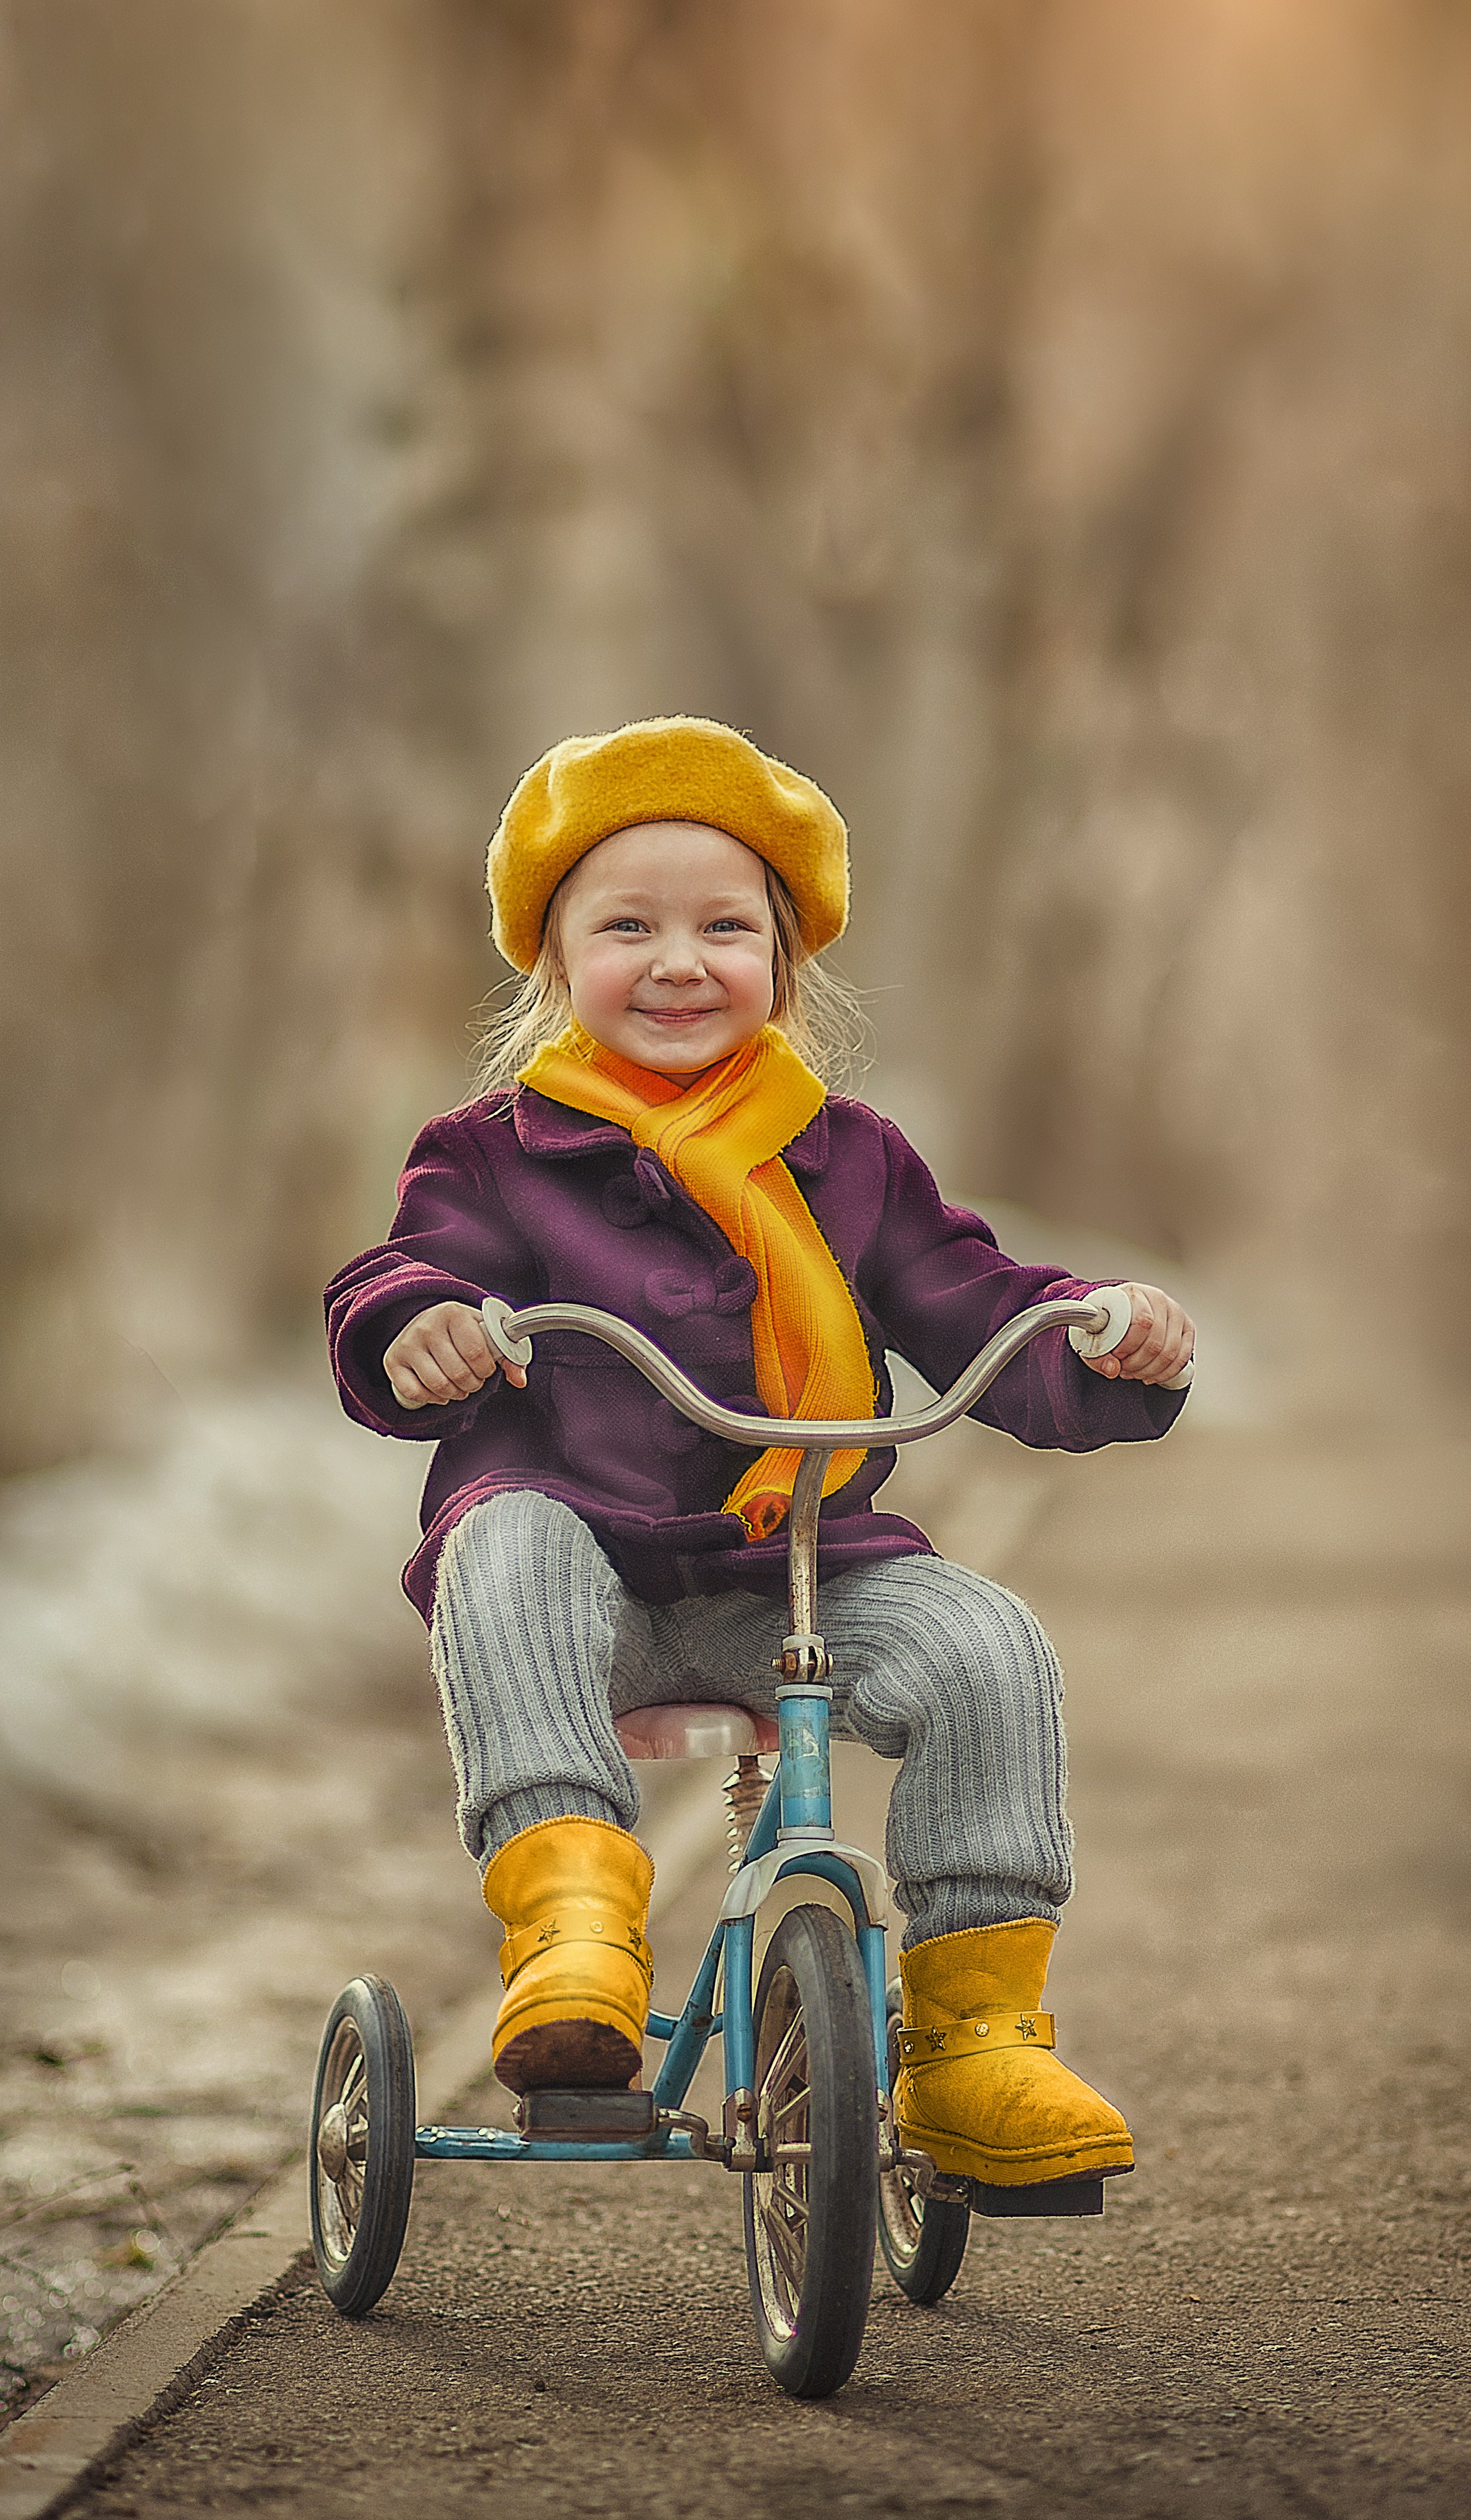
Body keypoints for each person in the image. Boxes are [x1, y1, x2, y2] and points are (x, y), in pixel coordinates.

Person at [325, 716, 1193, 2193]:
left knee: (987, 1646)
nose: (678, 961)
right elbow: (402, 1273)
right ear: (552, 962)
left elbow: (970, 1303)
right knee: (504, 1542)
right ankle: (576, 1937)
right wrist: (421, 1324)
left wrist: (1091, 1337)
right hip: (579, 1568)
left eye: (726, 927)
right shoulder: (490, 1154)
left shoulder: (848, 1156)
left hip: (794, 1564)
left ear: (785, 963)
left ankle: (973, 2043)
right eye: (627, 927)